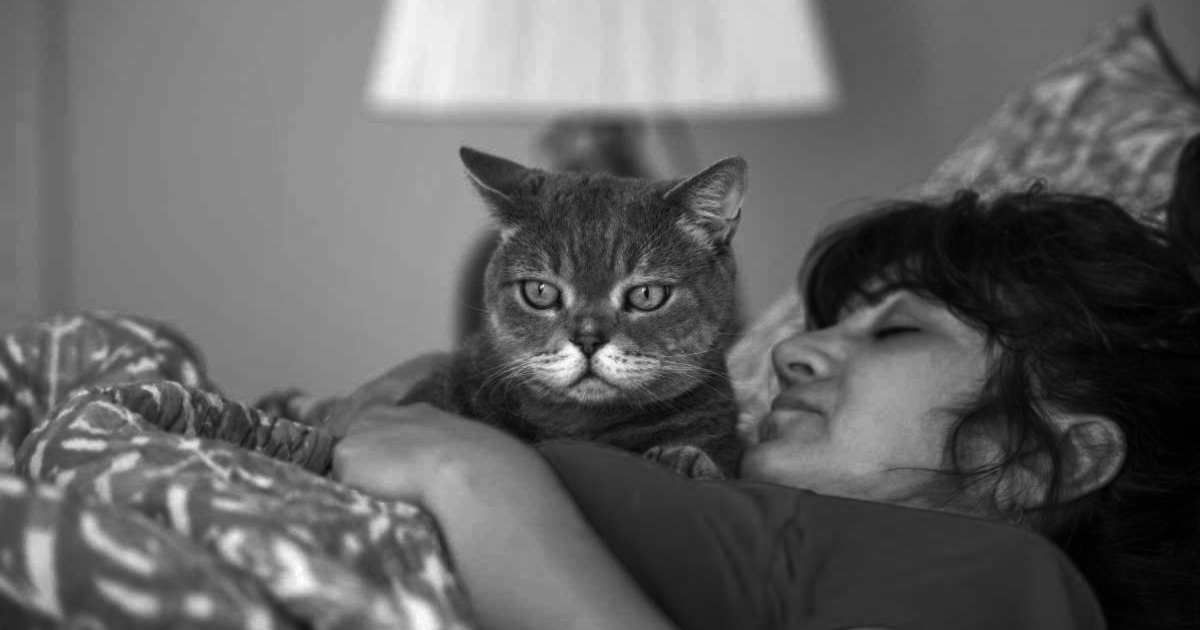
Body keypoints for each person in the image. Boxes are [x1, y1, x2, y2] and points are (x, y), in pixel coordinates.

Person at [332, 186, 1200, 630]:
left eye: (896, 333)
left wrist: (462, 473)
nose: (790, 350)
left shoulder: (1011, 581)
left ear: (1056, 458)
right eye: (826, 326)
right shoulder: (732, 496)